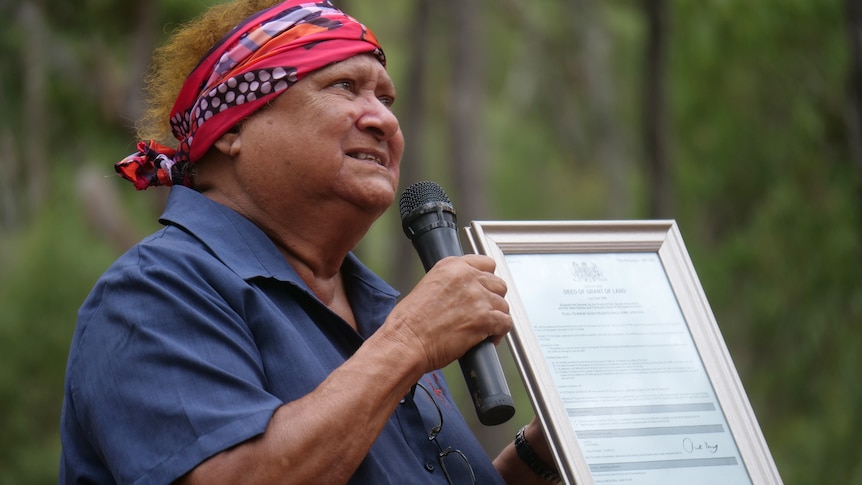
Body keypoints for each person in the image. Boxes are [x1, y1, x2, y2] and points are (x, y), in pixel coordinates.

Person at [60, 1, 561, 483]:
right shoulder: (151, 293)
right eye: (344, 87)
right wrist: (409, 341)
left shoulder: (379, 311)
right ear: (233, 126)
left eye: (385, 99)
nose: (383, 120)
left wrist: (543, 454)